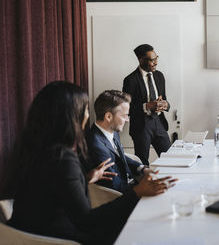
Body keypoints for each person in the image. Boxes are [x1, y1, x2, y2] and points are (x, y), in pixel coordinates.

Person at [6, 81, 175, 244]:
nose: (88, 115)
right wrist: (137, 192)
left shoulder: (31, 149)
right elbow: (86, 221)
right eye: (85, 109)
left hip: (25, 235)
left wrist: (85, 179)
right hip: (58, 239)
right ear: (69, 116)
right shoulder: (63, 158)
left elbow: (49, 191)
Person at [87, 90, 155, 192]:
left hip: (131, 185)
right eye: (124, 116)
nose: (127, 120)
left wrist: (142, 168)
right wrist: (144, 189)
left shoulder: (112, 131)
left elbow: (120, 157)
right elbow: (115, 186)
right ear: (108, 116)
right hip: (123, 196)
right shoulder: (96, 146)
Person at [123, 44, 171, 165]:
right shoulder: (130, 80)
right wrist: (146, 106)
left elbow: (164, 98)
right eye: (152, 60)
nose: (156, 62)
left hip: (159, 122)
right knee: (142, 163)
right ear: (141, 60)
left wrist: (165, 105)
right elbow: (125, 108)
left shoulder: (160, 76)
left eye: (156, 58)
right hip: (141, 126)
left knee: (170, 158)